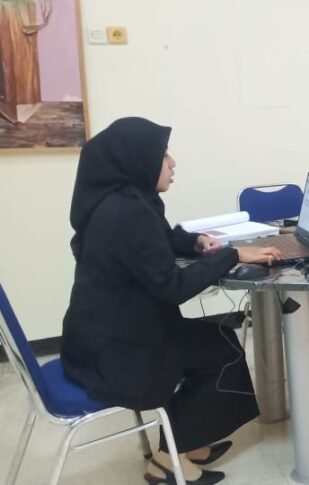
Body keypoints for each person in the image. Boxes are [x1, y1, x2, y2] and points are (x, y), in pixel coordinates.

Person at [61, 117, 283, 484]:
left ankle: (185, 443)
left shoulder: (122, 201)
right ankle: (167, 461)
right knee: (222, 352)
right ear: (138, 160)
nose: (172, 162)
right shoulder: (127, 213)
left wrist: (194, 242)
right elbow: (173, 287)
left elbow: (157, 241)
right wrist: (230, 255)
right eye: (163, 155)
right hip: (120, 354)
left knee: (218, 342)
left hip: (101, 338)